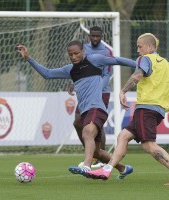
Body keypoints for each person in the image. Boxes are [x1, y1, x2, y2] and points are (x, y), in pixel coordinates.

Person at [86, 33, 169, 185]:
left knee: (148, 145)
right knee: (123, 136)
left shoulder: (145, 59)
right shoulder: (166, 64)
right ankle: (107, 169)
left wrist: (123, 91)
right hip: (157, 110)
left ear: (150, 47)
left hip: (146, 108)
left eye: (140, 46)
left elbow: (137, 76)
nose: (138, 50)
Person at [17, 40, 136, 178]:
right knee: (97, 152)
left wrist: (138, 64)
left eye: (76, 53)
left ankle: (86, 165)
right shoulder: (70, 70)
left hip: (97, 108)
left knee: (87, 132)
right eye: (70, 54)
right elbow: (47, 74)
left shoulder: (94, 60)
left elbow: (117, 60)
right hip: (86, 112)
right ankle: (123, 168)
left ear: (83, 52)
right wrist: (28, 59)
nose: (73, 56)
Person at [68, 26, 113, 168]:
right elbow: (77, 69)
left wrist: (98, 88)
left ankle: (99, 157)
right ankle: (92, 153)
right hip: (86, 92)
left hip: (102, 92)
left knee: (96, 125)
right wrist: (72, 83)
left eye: (97, 36)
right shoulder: (82, 49)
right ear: (89, 36)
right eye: (92, 36)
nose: (95, 38)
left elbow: (107, 73)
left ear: (101, 36)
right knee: (77, 122)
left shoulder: (106, 51)